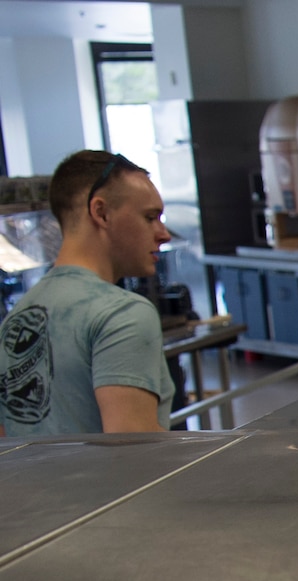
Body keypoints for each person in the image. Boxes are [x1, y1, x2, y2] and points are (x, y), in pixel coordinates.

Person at [0, 150, 175, 437]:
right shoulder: (122, 313)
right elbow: (134, 446)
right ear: (101, 212)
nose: (163, 233)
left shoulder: (15, 321)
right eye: (150, 217)